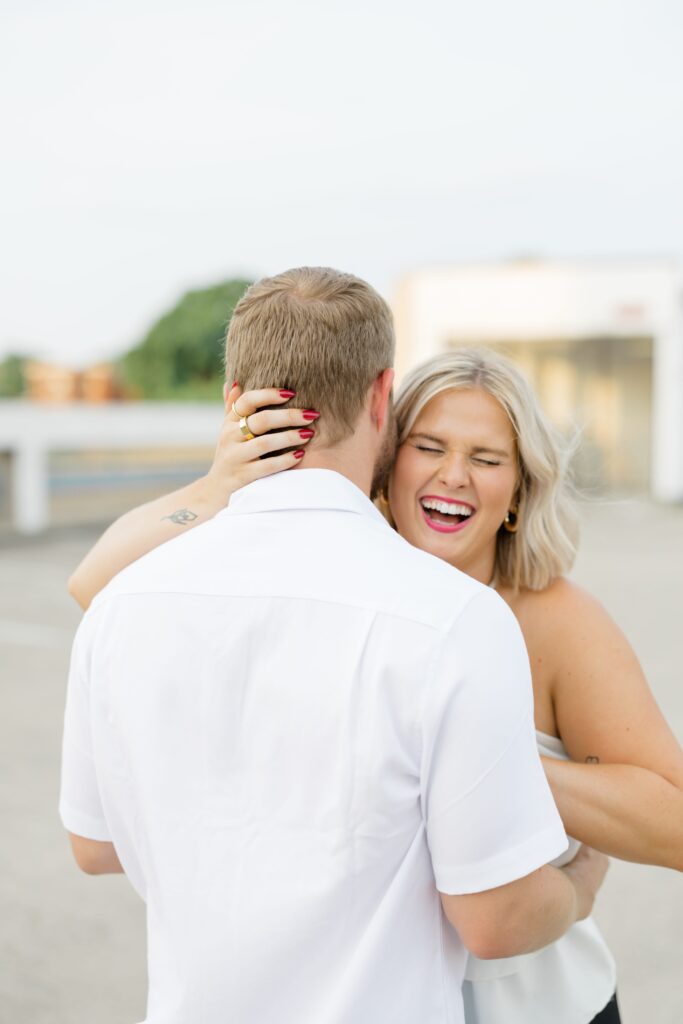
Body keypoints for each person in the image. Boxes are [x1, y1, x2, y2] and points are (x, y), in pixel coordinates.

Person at [69, 336, 683, 1024]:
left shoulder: (552, 616)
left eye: (485, 459)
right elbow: (97, 586)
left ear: (516, 490)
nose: (453, 474)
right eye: (428, 446)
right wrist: (216, 489)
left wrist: (466, 760)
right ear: (385, 462)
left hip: (539, 1004)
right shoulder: (340, 582)